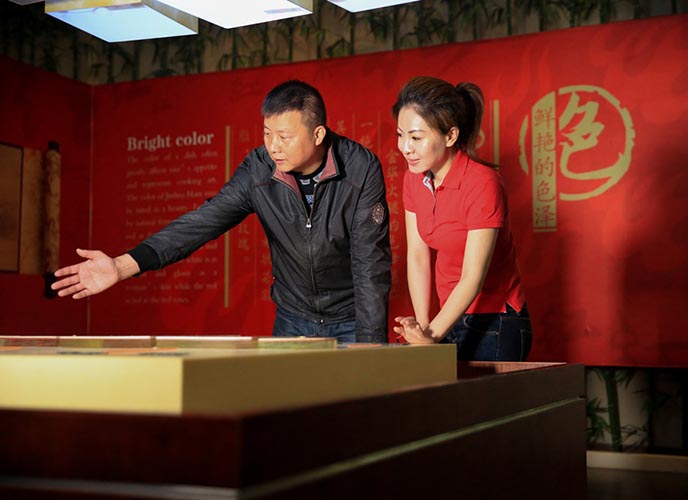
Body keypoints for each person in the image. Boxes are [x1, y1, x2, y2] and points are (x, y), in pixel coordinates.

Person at [52, 80, 392, 343]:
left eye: (284, 137)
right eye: (267, 134)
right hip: (293, 318)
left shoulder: (360, 169)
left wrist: (370, 345)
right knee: (289, 410)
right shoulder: (259, 170)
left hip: (352, 319)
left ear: (317, 134)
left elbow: (369, 264)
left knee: (356, 408)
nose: (273, 146)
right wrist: (122, 265)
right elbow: (203, 222)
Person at [391, 76, 531, 361]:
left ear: (451, 136)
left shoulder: (483, 183)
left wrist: (430, 336)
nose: (405, 147)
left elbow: (472, 278)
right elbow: (417, 255)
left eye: (416, 137)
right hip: (448, 317)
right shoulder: (414, 179)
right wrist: (421, 328)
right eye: (400, 135)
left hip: (495, 320)